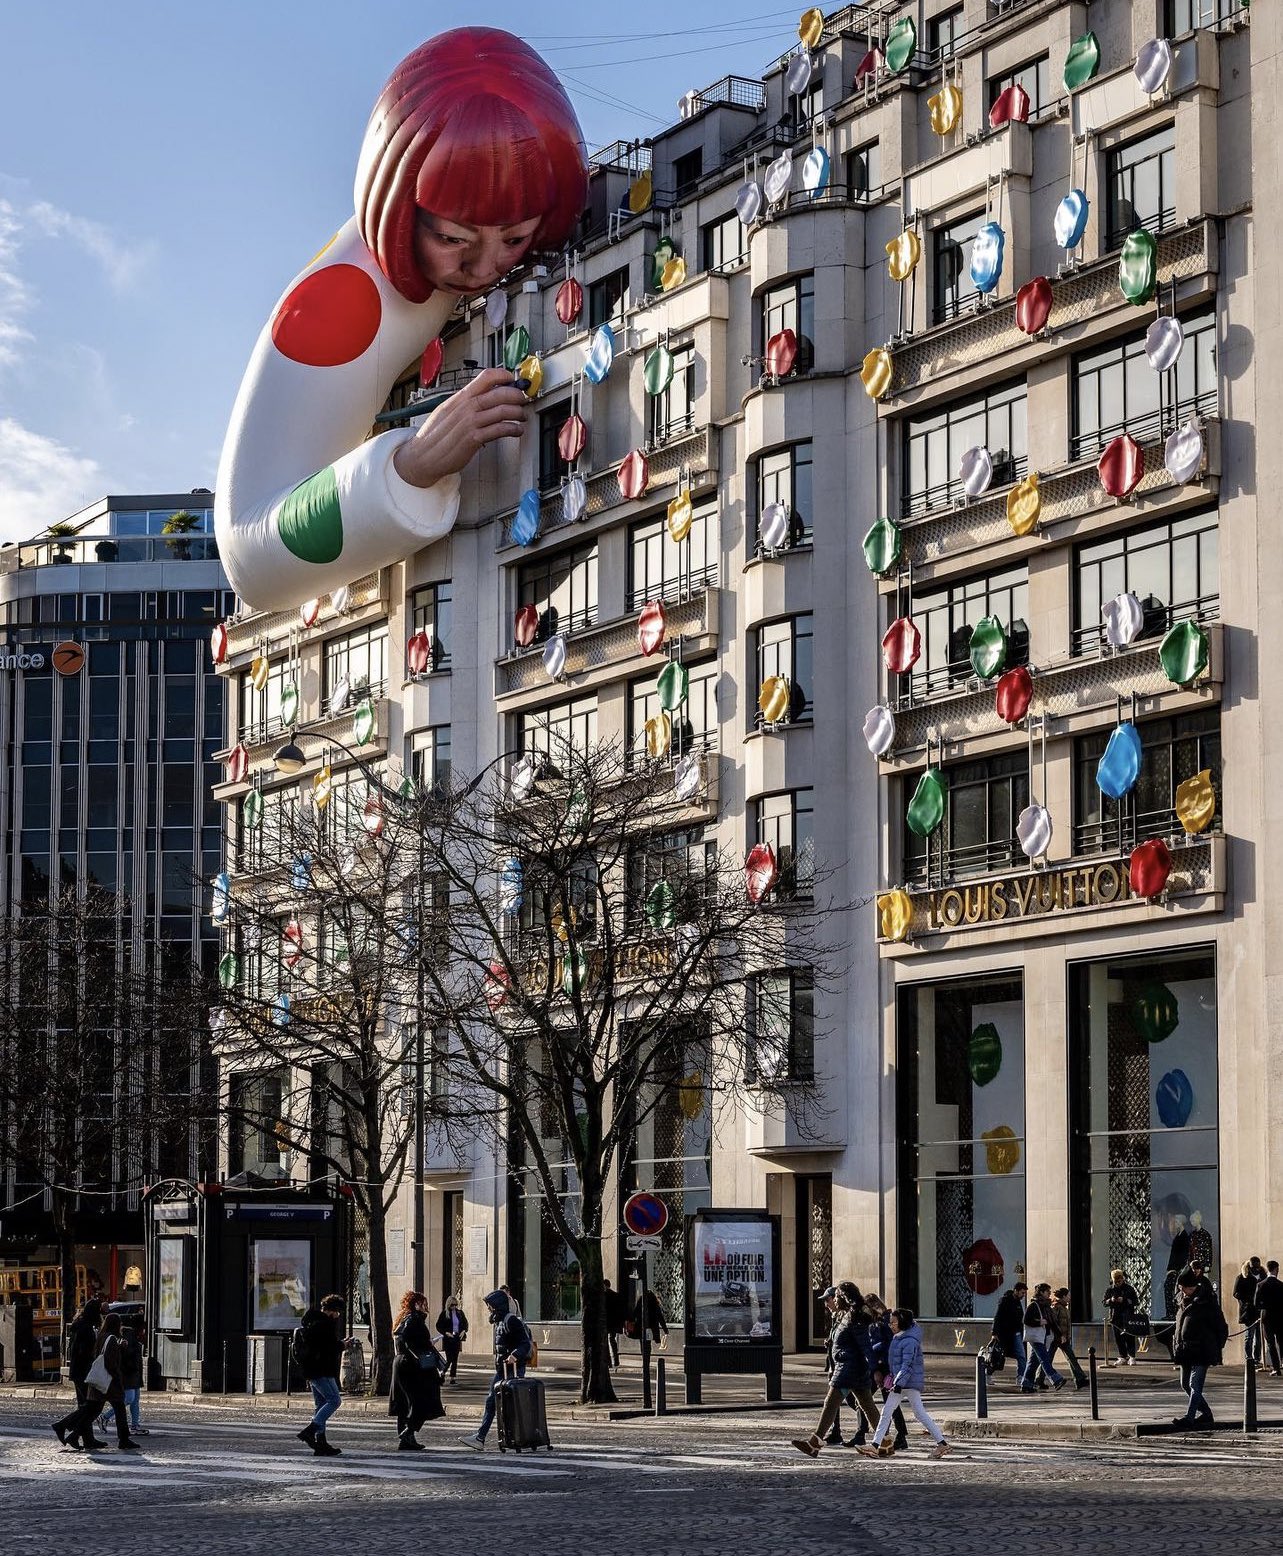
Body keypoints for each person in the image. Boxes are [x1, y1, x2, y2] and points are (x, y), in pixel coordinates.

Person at [214, 28, 590, 614]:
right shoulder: (336, 304)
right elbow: (248, 555)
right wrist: (410, 465)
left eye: (514, 239)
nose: (485, 266)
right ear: (399, 211)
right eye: (454, 239)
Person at [790, 1283, 880, 1457]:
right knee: (867, 1404)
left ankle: (815, 1443)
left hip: (848, 1368)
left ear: (844, 1298)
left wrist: (876, 1369)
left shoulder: (855, 1317)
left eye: (836, 1296)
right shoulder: (848, 1315)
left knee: (831, 1403)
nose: (834, 1299)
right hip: (850, 1366)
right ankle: (885, 1440)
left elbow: (865, 1345)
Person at [857, 1308, 949, 1460]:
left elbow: (907, 1365)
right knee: (905, 1413)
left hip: (906, 1383)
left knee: (895, 1412)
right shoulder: (901, 1337)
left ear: (902, 1323)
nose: (890, 1325)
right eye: (890, 1322)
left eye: (893, 1322)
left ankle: (874, 1446)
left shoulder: (908, 1341)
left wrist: (898, 1383)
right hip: (904, 1382)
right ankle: (874, 1446)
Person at [461, 1288, 533, 1451]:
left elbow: (525, 1344)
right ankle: (481, 1437)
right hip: (503, 1369)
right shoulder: (500, 1321)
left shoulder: (511, 1320)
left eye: (490, 1305)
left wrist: (515, 1355)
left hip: (513, 1369)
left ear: (497, 1305)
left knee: (508, 1404)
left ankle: (517, 1437)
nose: (488, 1308)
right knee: (492, 1402)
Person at [54, 1312, 137, 1452]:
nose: (121, 1326)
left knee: (91, 1411)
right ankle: (123, 1439)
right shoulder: (111, 1339)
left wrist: (119, 1347)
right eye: (120, 1323)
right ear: (116, 1325)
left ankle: (70, 1433)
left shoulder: (102, 1337)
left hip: (100, 1381)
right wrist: (117, 1378)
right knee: (118, 1409)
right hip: (109, 1382)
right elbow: (110, 1362)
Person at [1171, 1266, 1227, 1429]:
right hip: (1186, 1350)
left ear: (1191, 1287)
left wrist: (1217, 1348)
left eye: (1182, 1287)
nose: (1180, 1290)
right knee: (1185, 1384)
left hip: (1202, 1349)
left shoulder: (1207, 1301)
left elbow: (1220, 1326)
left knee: (1195, 1385)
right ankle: (1207, 1413)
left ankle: (1189, 1418)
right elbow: (1179, 1325)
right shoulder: (1182, 1300)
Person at [390, 1290, 445, 1449]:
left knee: (405, 1403)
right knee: (422, 1399)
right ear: (416, 1304)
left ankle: (407, 1439)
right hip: (412, 1365)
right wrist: (422, 1348)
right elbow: (408, 1339)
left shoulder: (404, 1318)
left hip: (402, 1362)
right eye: (423, 1303)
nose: (425, 1306)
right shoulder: (414, 1319)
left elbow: (404, 1338)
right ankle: (408, 1432)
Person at [296, 1294, 346, 1457]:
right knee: (334, 1400)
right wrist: (343, 1345)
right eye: (338, 1312)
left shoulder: (312, 1321)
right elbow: (329, 1348)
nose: (338, 1316)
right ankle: (311, 1430)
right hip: (322, 1369)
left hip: (311, 1369)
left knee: (321, 1404)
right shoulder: (325, 1324)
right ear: (333, 1311)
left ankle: (321, 1443)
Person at [52, 1299, 104, 1450]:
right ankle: (62, 1426)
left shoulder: (79, 1326)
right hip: (84, 1372)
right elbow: (84, 1352)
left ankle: (87, 1439)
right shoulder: (86, 1329)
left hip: (77, 1371)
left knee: (85, 1405)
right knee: (91, 1407)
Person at [863, 1293, 908, 1450]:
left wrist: (872, 1352)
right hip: (878, 1366)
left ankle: (899, 1435)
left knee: (888, 1403)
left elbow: (886, 1344)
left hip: (886, 1367)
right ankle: (862, 1432)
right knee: (865, 1398)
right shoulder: (874, 1322)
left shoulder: (885, 1321)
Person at [98, 1321, 146, 1436]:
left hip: (133, 1374)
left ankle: (135, 1425)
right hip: (128, 1374)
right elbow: (128, 1357)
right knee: (129, 1398)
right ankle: (105, 1416)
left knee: (135, 1401)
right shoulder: (130, 1337)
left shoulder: (131, 1337)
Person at [1020, 1283, 1066, 1393]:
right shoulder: (1034, 1305)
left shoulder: (1046, 1306)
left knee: (1033, 1361)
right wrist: (1039, 1322)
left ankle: (1026, 1384)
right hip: (1036, 1337)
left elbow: (1052, 1322)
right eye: (1047, 1291)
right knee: (1044, 1359)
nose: (1050, 1293)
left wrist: (1060, 1335)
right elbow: (1026, 1320)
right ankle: (1056, 1379)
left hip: (1043, 1336)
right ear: (1041, 1292)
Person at [1048, 1287, 1088, 1389]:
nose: (1070, 1298)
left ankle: (1080, 1379)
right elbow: (1053, 1323)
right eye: (1068, 1296)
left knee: (1072, 1358)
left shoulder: (1064, 1308)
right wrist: (1060, 1335)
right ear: (1063, 1296)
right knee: (1048, 1359)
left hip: (1064, 1338)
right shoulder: (1056, 1307)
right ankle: (1038, 1379)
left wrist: (1066, 1336)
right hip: (1057, 1338)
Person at [992, 1281, 1029, 1382]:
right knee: (998, 1355)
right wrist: (994, 1333)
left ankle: (1021, 1376)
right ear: (1015, 1291)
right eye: (1022, 1293)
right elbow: (997, 1316)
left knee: (1021, 1355)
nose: (1023, 1295)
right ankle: (988, 1373)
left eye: (1024, 1293)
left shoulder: (1018, 1303)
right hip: (1004, 1334)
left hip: (1016, 1333)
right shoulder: (1004, 1301)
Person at [1103, 1268, 1140, 1365]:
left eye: (1119, 1280)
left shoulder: (1129, 1289)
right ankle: (1123, 1356)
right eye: (1116, 1281)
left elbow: (1136, 1302)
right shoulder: (1110, 1289)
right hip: (1115, 1317)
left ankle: (1132, 1356)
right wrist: (1111, 1300)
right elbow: (1104, 1302)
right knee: (1118, 1338)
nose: (1118, 1283)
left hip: (1127, 1316)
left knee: (1129, 1337)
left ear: (1123, 1279)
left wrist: (1124, 1300)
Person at [1254, 1259, 1283, 1375]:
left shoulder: (1260, 1285)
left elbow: (1256, 1303)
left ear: (1267, 1269)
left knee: (1271, 1343)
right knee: (1281, 1341)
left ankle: (1276, 1367)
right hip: (1281, 1316)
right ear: (1277, 1269)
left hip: (1267, 1317)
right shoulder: (1281, 1285)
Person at [1234, 1259, 1264, 1366]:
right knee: (1249, 1335)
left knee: (1259, 1336)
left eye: (1258, 1267)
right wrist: (1247, 1301)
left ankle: (1257, 1358)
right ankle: (1249, 1357)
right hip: (1248, 1311)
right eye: (1254, 1268)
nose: (1256, 1270)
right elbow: (1236, 1293)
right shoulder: (1242, 1277)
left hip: (1259, 1310)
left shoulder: (1262, 1276)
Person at [435, 1294, 469, 1383]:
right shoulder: (444, 1314)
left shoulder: (460, 1313)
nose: (454, 1307)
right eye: (452, 1305)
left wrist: (464, 1331)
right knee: (449, 1359)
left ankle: (452, 1378)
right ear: (448, 1305)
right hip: (448, 1338)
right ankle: (442, 1372)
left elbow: (465, 1324)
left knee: (455, 1359)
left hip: (457, 1337)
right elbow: (438, 1326)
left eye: (455, 1305)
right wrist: (446, 1333)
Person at [603, 1279, 628, 1370]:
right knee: (612, 1340)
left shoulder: (603, 1296)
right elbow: (621, 1310)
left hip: (606, 1323)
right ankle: (616, 1360)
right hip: (614, 1323)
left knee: (606, 1342)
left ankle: (609, 1362)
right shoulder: (616, 1295)